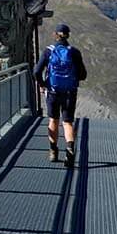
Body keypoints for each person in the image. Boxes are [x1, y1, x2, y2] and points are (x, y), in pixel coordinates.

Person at [34, 23, 88, 167]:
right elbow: (83, 75)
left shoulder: (48, 51)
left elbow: (36, 72)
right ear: (68, 35)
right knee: (68, 122)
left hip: (52, 91)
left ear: (55, 35)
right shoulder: (74, 52)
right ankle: (69, 149)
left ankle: (53, 151)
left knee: (53, 120)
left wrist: (43, 84)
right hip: (70, 92)